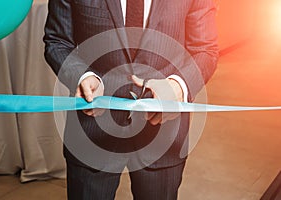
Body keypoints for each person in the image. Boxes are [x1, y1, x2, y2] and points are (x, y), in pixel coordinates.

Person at [44, 0, 219, 199]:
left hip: (164, 135)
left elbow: (206, 50)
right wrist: (83, 76)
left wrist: (178, 86)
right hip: (93, 131)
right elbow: (57, 41)